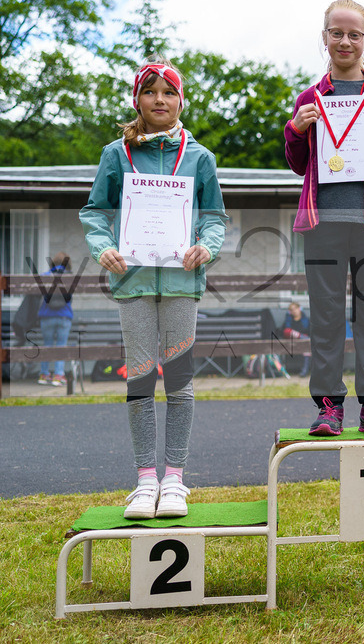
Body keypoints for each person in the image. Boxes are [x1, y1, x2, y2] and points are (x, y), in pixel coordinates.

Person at [80, 58, 227, 519]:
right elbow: (93, 211)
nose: (159, 100)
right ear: (137, 99)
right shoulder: (116, 154)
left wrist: (207, 245)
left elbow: (215, 216)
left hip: (182, 282)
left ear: (181, 100)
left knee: (179, 382)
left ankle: (175, 479)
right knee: (142, 378)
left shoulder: (200, 157)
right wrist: (102, 247)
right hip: (133, 281)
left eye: (168, 92)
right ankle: (145, 480)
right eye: (150, 91)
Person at [285, 0, 364, 437]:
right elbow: (299, 164)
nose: (344, 41)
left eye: (353, 34)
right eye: (336, 33)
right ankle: (328, 407)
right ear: (324, 37)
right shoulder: (309, 98)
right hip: (322, 225)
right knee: (324, 316)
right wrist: (296, 130)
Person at [37, 252, 74, 387]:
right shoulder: (70, 277)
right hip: (64, 315)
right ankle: (58, 375)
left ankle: (44, 374)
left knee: (47, 345)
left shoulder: (45, 276)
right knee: (61, 345)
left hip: (46, 315)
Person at [282, 302, 311, 377]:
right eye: (291, 310)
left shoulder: (306, 320)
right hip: (291, 342)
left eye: (295, 309)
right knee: (287, 331)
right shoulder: (288, 320)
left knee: (307, 346)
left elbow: (309, 331)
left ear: (299, 309)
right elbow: (284, 332)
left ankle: (305, 370)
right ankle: (301, 336)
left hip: (303, 342)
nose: (294, 311)